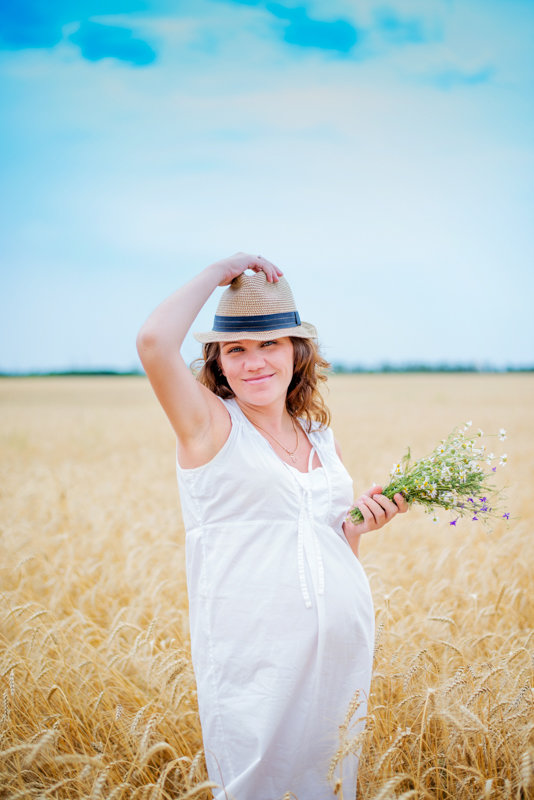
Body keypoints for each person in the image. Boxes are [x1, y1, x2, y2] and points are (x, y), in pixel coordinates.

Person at [136, 252, 408, 800]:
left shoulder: (316, 434)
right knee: (256, 786)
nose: (254, 361)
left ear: (295, 353)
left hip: (339, 654)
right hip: (256, 659)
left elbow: (324, 543)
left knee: (330, 785)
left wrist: (358, 526)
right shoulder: (210, 425)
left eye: (270, 344)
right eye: (236, 348)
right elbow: (153, 343)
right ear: (218, 360)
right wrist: (222, 269)